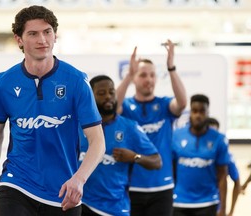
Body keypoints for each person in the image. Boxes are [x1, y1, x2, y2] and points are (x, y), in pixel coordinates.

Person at [0, 5, 105, 216]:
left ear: (55, 36)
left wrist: (79, 180)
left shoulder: (76, 81)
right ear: (19, 39)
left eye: (47, 32)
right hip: (16, 184)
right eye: (33, 34)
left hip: (63, 192)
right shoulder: (4, 82)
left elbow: (98, 141)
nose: (42, 40)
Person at [116, 39, 187, 216]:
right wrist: (128, 76)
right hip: (131, 186)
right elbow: (112, 107)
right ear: (134, 78)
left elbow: (182, 103)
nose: (148, 79)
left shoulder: (164, 105)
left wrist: (171, 68)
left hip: (162, 187)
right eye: (142, 75)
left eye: (152, 75)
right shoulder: (126, 106)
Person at [79, 75, 162, 216]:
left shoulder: (130, 127)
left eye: (112, 92)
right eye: (101, 93)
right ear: (90, 97)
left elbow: (157, 161)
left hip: (115, 208)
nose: (108, 97)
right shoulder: (77, 125)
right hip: (81, 203)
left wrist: (135, 157)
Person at [172, 94, 230, 216]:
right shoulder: (176, 136)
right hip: (180, 202)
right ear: (190, 113)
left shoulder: (219, 140)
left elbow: (222, 176)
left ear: (208, 113)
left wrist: (223, 209)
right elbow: (171, 171)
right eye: (194, 111)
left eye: (202, 111)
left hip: (208, 202)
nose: (198, 115)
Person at [208, 117, 241, 216]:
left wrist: (230, 211)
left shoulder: (226, 156)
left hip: (215, 207)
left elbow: (237, 182)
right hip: (190, 205)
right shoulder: (190, 153)